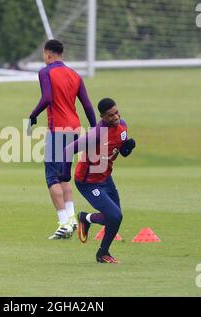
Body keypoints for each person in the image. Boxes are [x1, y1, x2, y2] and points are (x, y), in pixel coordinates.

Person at [29, 39, 96, 240]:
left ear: (47, 54)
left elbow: (47, 98)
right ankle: (72, 219)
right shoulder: (75, 75)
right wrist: (94, 129)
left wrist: (33, 114)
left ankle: (64, 223)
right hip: (75, 129)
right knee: (63, 176)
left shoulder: (45, 71)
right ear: (62, 54)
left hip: (58, 129)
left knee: (51, 176)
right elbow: (87, 105)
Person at [61, 98, 136, 263]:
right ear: (102, 117)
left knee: (116, 217)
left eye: (116, 112)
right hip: (88, 182)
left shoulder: (122, 125)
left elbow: (120, 151)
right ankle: (101, 251)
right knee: (114, 216)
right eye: (110, 115)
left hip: (106, 177)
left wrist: (128, 147)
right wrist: (65, 175)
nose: (115, 117)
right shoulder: (96, 134)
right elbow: (67, 150)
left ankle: (87, 223)